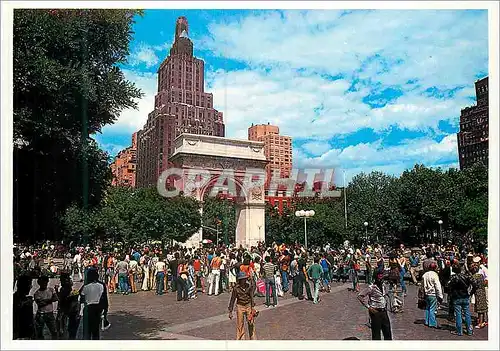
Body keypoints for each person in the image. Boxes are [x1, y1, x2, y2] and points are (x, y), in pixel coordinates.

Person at [357, 272, 392, 340]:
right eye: (379, 278)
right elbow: (360, 296)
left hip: (384, 311)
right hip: (375, 312)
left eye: (382, 278)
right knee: (376, 334)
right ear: (376, 278)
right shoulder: (371, 287)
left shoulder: (383, 286)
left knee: (387, 332)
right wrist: (369, 307)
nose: (381, 280)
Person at [80, 268, 109, 340]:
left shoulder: (86, 287)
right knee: (96, 330)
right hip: (97, 309)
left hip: (88, 309)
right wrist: (105, 311)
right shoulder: (101, 285)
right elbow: (104, 299)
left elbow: (81, 297)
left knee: (87, 330)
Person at [228, 272, 257, 340]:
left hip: (248, 305)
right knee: (240, 324)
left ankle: (253, 338)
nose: (244, 280)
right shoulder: (236, 289)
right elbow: (232, 299)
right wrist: (230, 311)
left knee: (251, 323)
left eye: (245, 279)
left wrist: (253, 307)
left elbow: (251, 297)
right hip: (240, 306)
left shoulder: (249, 286)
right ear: (240, 280)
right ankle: (241, 339)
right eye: (242, 279)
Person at [447, 265, 474, 336]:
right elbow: (475, 284)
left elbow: (448, 286)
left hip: (456, 297)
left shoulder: (453, 278)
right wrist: (471, 292)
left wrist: (451, 293)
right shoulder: (466, 276)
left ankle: (459, 331)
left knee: (458, 315)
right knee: (467, 314)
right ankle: (469, 331)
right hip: (465, 296)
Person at [55, 273, 80, 339]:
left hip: (65, 305)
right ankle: (63, 331)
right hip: (67, 305)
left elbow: (60, 298)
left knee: (61, 319)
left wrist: (56, 290)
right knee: (63, 319)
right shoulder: (66, 285)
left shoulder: (64, 287)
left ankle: (62, 331)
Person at [422, 262, 443, 329]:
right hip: (433, 294)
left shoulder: (425, 274)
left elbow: (422, 285)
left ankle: (427, 321)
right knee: (432, 309)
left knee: (428, 308)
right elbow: (438, 286)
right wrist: (440, 296)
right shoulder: (435, 275)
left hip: (427, 293)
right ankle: (432, 323)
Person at [13, 275, 34, 340]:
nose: (31, 287)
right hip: (20, 334)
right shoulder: (16, 299)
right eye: (30, 284)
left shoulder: (24, 299)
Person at [470, 264, 488, 329]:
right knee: (482, 308)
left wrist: (470, 293)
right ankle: (482, 321)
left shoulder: (474, 277)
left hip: (478, 293)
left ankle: (480, 323)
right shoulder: (481, 275)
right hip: (482, 291)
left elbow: (474, 286)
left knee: (479, 309)